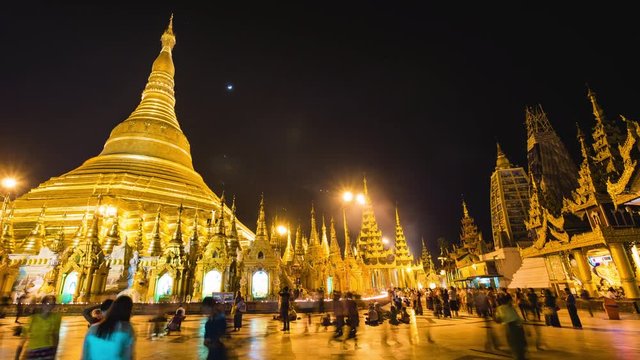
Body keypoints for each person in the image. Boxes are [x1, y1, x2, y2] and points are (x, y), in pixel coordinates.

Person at [82, 295, 135, 360]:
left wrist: (100, 305)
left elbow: (85, 356)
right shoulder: (126, 329)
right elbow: (128, 356)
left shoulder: (92, 328)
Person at [16, 295, 61, 360]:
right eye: (48, 303)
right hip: (33, 351)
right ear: (42, 304)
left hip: (48, 351)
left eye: (52, 304)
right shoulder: (33, 318)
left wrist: (55, 351)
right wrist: (17, 355)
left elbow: (56, 336)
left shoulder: (56, 318)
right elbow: (23, 337)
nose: (50, 306)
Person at [495, 294, 527, 360]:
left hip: (514, 327)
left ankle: (520, 356)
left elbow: (498, 319)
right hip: (513, 327)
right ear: (508, 300)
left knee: (517, 344)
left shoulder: (507, 307)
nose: (512, 301)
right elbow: (499, 319)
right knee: (517, 344)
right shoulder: (504, 308)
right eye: (511, 300)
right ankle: (519, 357)